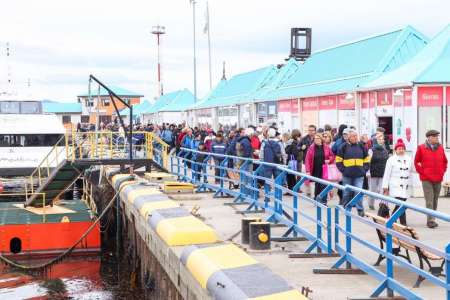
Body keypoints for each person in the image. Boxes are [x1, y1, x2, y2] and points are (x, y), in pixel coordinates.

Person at [414, 130, 448, 228]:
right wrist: (423, 173)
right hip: (426, 179)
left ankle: (433, 218)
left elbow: (445, 161)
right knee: (429, 200)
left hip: (438, 177)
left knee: (435, 200)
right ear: (429, 138)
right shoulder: (421, 148)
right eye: (435, 136)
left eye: (437, 136)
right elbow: (416, 162)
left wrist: (442, 171)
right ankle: (430, 221)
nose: (437, 138)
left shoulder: (440, 148)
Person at [336, 129, 370, 216]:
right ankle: (346, 207)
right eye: (352, 136)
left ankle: (360, 209)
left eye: (356, 136)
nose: (355, 138)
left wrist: (364, 169)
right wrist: (343, 170)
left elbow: (367, 159)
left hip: (359, 174)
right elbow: (338, 160)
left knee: (358, 192)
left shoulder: (362, 146)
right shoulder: (343, 147)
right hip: (347, 175)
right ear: (348, 137)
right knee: (347, 192)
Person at [382, 139, 412, 225]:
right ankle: (403, 223)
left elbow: (412, 170)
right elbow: (387, 173)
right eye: (399, 149)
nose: (401, 150)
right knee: (401, 204)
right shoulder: (391, 159)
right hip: (395, 185)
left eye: (402, 148)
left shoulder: (409, 159)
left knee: (401, 205)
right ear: (395, 150)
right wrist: (385, 186)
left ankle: (393, 219)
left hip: (406, 186)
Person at [304, 133, 335, 204]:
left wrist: (329, 160)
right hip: (315, 169)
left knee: (323, 185)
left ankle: (324, 201)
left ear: (321, 139)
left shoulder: (326, 147)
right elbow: (307, 160)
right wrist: (308, 170)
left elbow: (332, 156)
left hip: (324, 169)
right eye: (315, 139)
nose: (316, 140)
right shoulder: (311, 148)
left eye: (318, 139)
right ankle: (316, 199)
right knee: (317, 185)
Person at [260, 128, 283, 202]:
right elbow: (283, 153)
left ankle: (267, 197)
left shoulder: (264, 142)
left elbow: (261, 154)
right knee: (278, 181)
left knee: (267, 181)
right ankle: (278, 197)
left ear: (268, 134)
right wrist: (284, 163)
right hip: (277, 164)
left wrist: (262, 162)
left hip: (267, 164)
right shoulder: (279, 143)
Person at [368, 134, 389, 210]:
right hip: (373, 173)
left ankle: (383, 205)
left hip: (383, 173)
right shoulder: (371, 150)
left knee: (382, 189)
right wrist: (368, 172)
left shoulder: (385, 150)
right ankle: (371, 204)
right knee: (372, 190)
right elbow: (368, 161)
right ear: (375, 140)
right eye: (379, 139)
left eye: (382, 139)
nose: (381, 141)